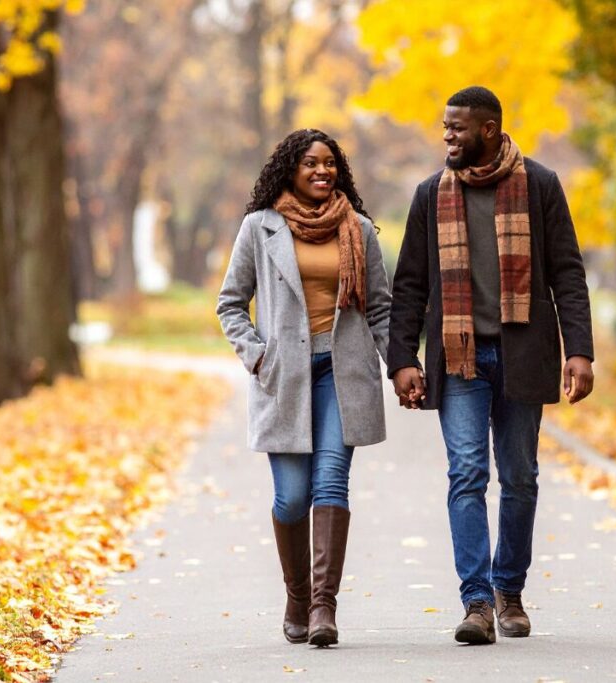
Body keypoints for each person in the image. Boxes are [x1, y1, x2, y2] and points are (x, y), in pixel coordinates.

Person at [387, 86, 595, 645]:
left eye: (456, 128)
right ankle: (477, 602)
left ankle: (510, 590)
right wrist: (401, 357)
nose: (447, 137)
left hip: (523, 353)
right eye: (444, 127)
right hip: (460, 359)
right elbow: (410, 284)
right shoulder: (431, 195)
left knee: (521, 477)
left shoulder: (541, 186)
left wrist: (580, 350)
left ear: (488, 129)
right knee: (467, 474)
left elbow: (568, 273)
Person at [217, 129, 390, 647]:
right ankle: (296, 594)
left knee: (330, 483)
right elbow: (230, 303)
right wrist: (257, 353)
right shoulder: (259, 228)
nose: (323, 171)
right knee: (291, 498)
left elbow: (380, 306)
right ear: (290, 170)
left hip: (343, 372)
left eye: (331, 163)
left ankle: (322, 608)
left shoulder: (358, 229)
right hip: (284, 375)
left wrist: (403, 365)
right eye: (311, 163)